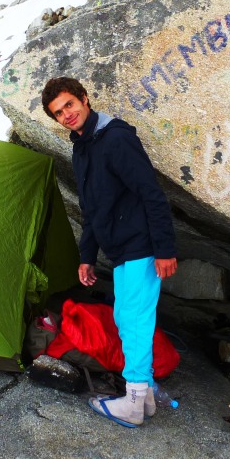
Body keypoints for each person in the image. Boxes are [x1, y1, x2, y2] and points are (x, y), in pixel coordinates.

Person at [41, 77, 177, 428]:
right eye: (58, 112)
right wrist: (87, 256)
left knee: (134, 322)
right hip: (121, 249)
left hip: (142, 247)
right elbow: (93, 209)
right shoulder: (83, 148)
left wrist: (164, 248)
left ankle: (132, 402)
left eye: (69, 104)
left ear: (85, 99)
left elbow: (151, 193)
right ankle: (143, 396)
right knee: (127, 319)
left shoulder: (116, 139)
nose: (66, 114)